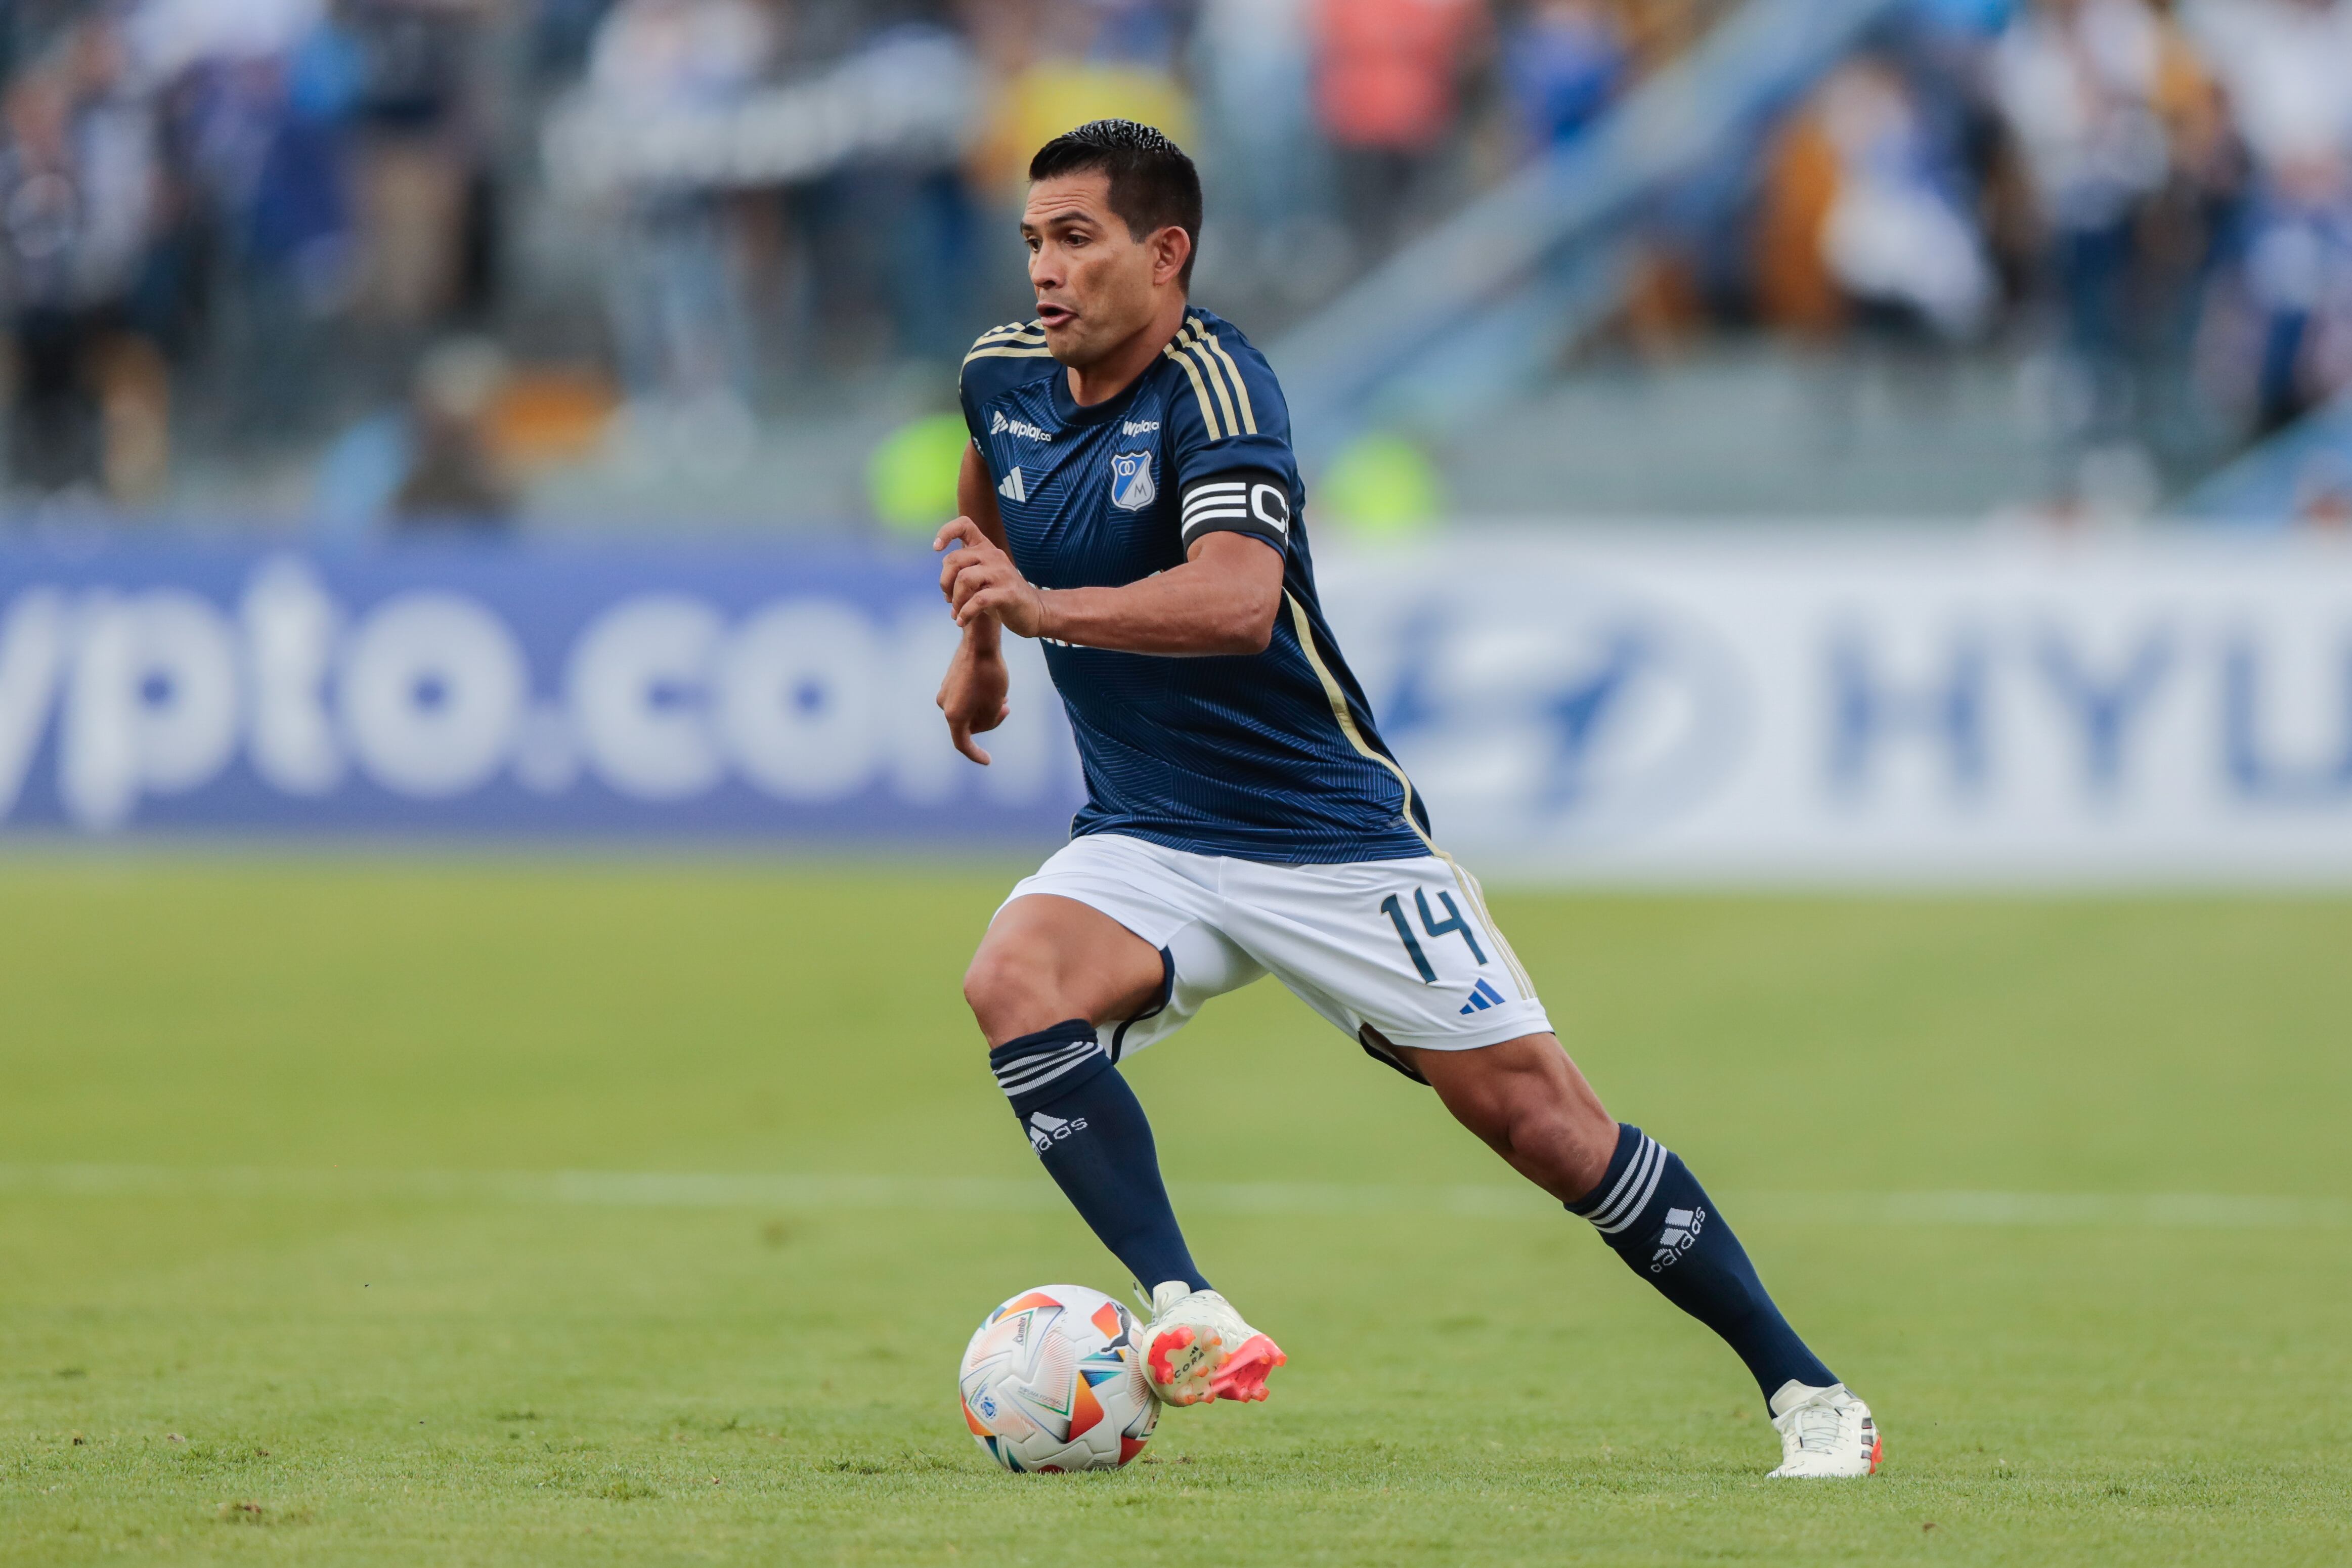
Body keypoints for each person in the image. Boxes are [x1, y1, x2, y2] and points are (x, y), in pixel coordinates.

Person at [932, 118, 1883, 1479]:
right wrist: (979, 649)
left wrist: (1034, 606)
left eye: (1075, 238)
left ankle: (1807, 1390)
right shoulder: (1000, 376)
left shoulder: (1219, 388)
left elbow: (1236, 600)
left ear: (1165, 252)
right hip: (1146, 831)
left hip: (1327, 839)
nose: (1043, 269)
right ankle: (1185, 1304)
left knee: (1546, 1126)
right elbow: (987, 495)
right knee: (1010, 978)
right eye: (1032, 240)